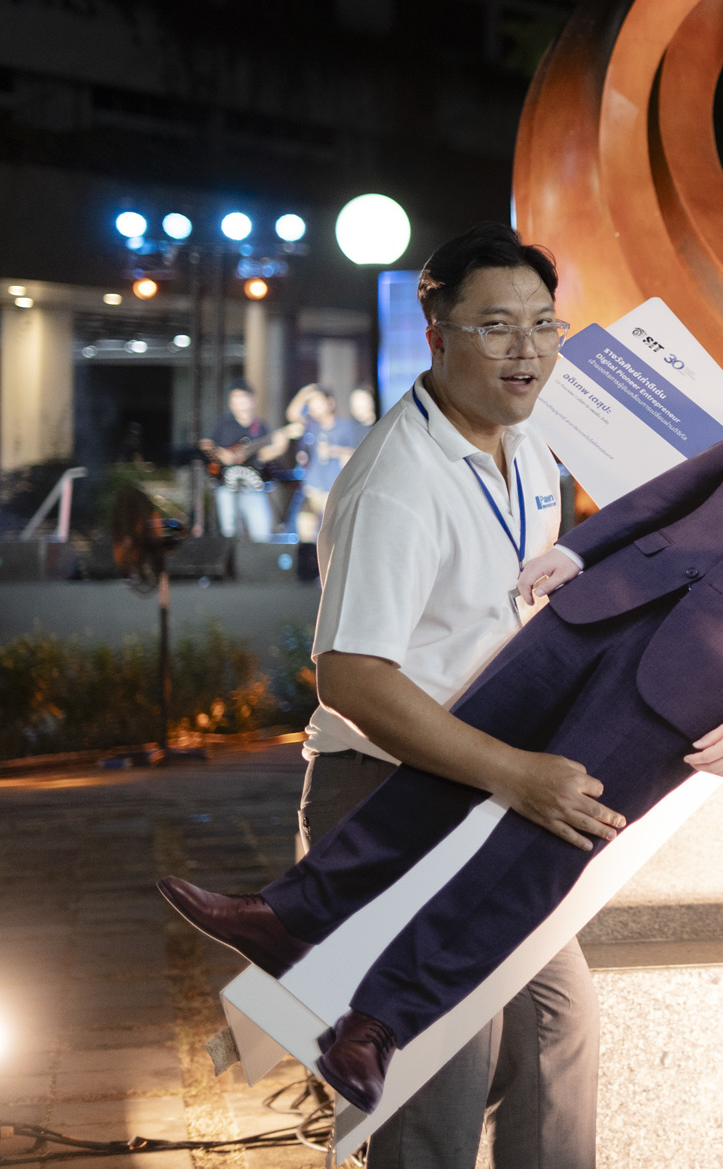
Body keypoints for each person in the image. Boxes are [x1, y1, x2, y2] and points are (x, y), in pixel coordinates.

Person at [161, 356, 723, 1117]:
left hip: (695, 693)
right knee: (452, 762)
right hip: (600, 607)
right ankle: (291, 913)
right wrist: (579, 551)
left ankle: (380, 1021)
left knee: (536, 851)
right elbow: (675, 491)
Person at [202, 225, 593, 1168]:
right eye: (495, 326)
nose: (526, 348)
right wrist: (517, 773)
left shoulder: (531, 445)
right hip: (389, 791)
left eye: (543, 324)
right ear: (437, 334)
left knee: (557, 1029)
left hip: (487, 786)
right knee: (437, 1071)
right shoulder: (397, 480)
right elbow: (353, 677)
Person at [200, 380, 285, 541]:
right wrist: (221, 454)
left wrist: (279, 448)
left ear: (253, 400)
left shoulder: (261, 427)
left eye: (243, 399)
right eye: (235, 400)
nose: (240, 404)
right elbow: (205, 444)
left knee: (263, 533)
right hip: (227, 488)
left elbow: (263, 456)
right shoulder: (223, 423)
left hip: (254, 488)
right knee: (230, 534)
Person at [283, 384, 366, 542]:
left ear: (330, 403)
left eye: (317, 402)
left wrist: (333, 451)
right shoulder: (312, 425)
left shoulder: (345, 426)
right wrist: (304, 393)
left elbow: (357, 452)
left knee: (333, 535)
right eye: (311, 403)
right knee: (306, 533)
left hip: (334, 489)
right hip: (312, 488)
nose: (313, 407)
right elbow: (292, 415)